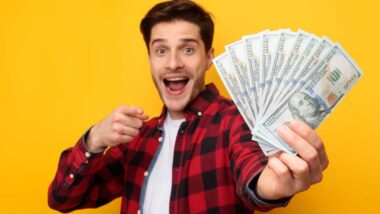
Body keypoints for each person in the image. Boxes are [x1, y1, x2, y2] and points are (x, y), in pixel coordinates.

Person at [48, 1, 329, 213]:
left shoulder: (236, 121)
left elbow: (252, 169)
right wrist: (95, 139)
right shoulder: (137, 139)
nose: (172, 63)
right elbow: (62, 198)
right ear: (150, 60)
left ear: (208, 58)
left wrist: (265, 188)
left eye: (187, 49)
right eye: (161, 50)